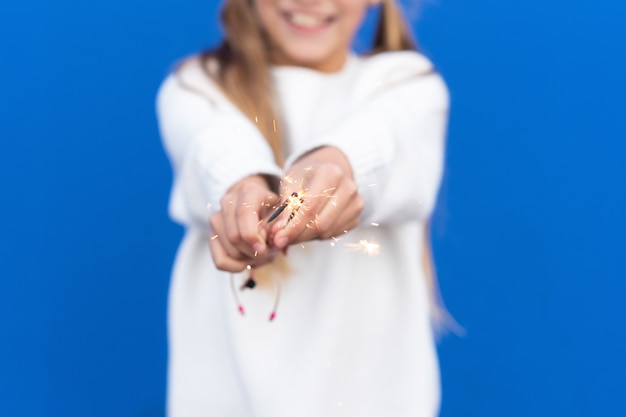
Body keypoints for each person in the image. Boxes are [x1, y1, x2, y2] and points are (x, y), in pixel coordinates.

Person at [156, 0, 449, 414]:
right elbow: (214, 143)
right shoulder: (196, 86)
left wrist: (337, 165)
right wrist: (243, 189)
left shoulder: (409, 84)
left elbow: (387, 133)